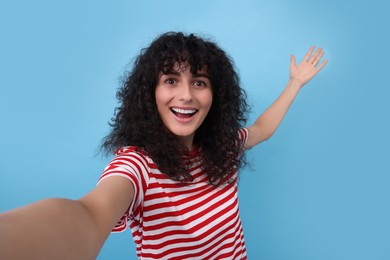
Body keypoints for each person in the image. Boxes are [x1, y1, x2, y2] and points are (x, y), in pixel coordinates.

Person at [0, 32, 327, 260]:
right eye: (171, 80)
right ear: (150, 94)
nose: (186, 95)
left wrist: (295, 83)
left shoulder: (224, 147)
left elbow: (261, 129)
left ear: (215, 96)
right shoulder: (138, 166)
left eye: (199, 82)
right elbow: (87, 214)